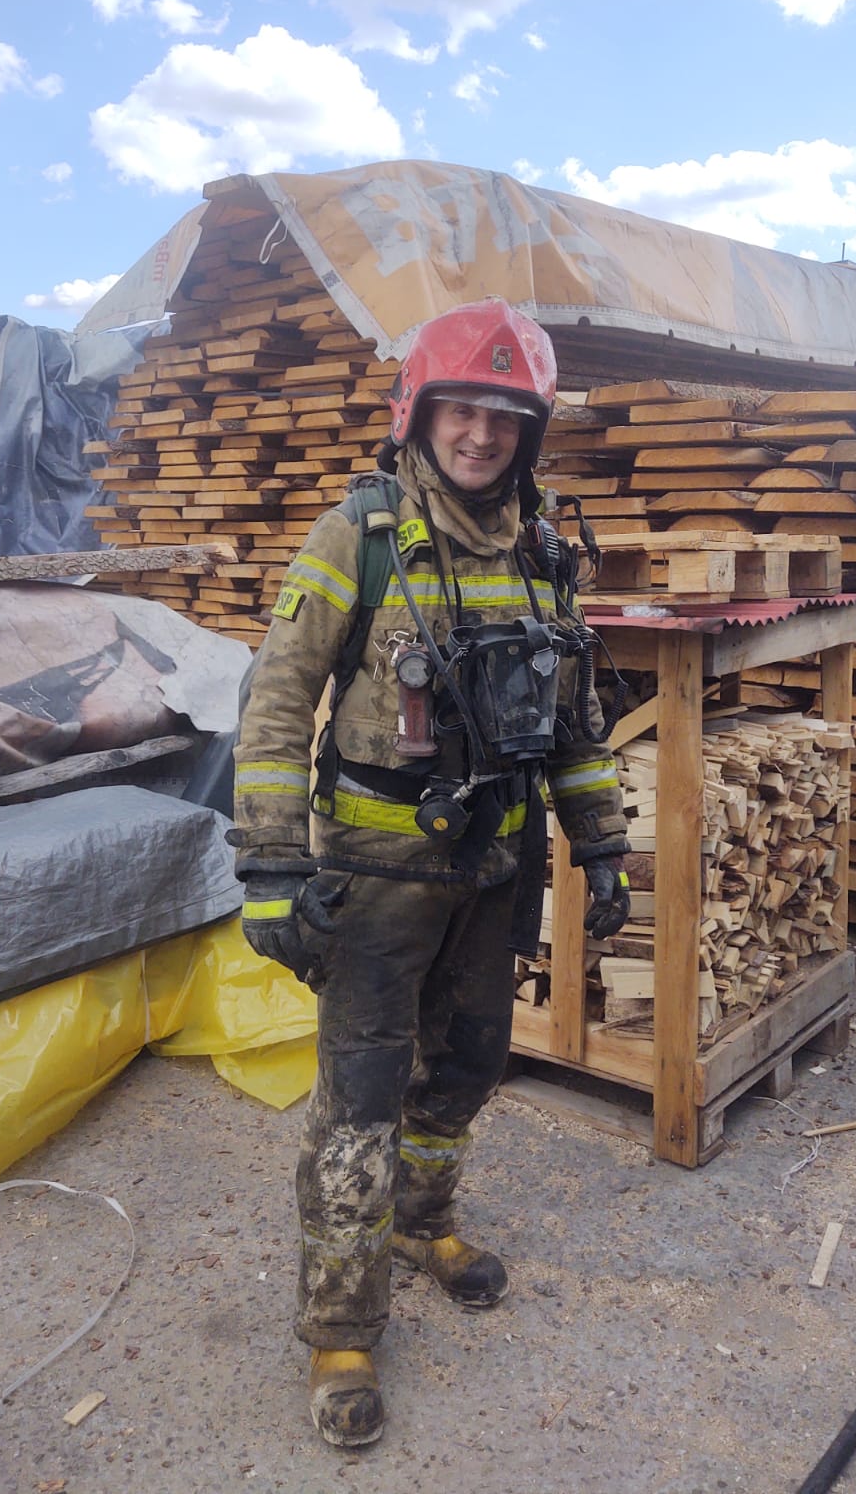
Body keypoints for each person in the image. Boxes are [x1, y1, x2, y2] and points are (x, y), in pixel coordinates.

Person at [230, 297, 630, 1447]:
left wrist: (601, 843)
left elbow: (574, 720)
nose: (482, 435)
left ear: (530, 433)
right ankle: (341, 1328)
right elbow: (276, 702)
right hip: (377, 882)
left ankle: (421, 1220)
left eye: (507, 418)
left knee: (464, 1067)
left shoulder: (544, 551)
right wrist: (270, 866)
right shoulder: (356, 536)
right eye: (464, 409)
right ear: (420, 411)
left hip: (495, 870)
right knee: (359, 1101)